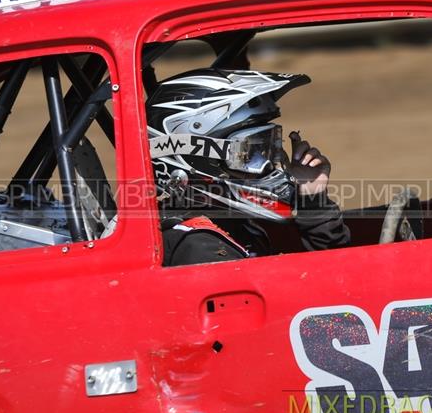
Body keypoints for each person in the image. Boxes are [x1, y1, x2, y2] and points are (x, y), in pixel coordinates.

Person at [145, 68, 350, 266]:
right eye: (247, 154)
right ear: (195, 161)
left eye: (268, 148)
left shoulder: (233, 223)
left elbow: (328, 271)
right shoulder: (199, 248)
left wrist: (312, 199)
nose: (268, 164)